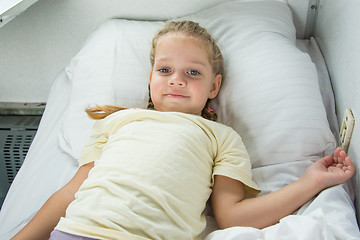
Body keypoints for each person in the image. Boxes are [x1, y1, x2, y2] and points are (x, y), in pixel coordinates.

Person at [12, 20, 354, 240]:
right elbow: (71, 192)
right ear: (150, 80)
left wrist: (311, 182)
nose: (176, 78)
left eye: (193, 73)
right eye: (165, 69)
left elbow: (232, 215)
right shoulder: (117, 121)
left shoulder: (221, 138)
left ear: (214, 86)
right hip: (79, 231)